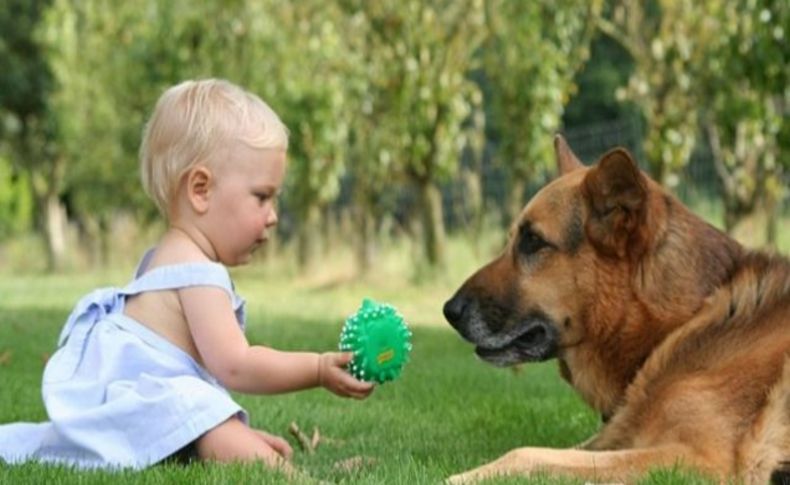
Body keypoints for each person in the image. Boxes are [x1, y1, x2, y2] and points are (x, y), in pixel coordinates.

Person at [0, 79, 374, 475]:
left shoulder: (162, 258)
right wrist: (316, 369)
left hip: (132, 408)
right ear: (200, 189)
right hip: (145, 405)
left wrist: (232, 431)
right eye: (262, 197)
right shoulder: (200, 274)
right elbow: (236, 364)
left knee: (213, 423)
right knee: (209, 422)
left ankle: (240, 447)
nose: (273, 215)